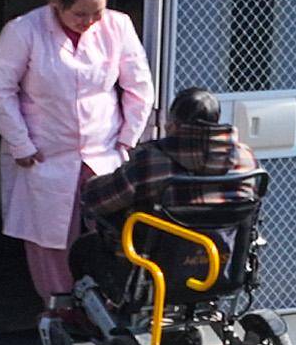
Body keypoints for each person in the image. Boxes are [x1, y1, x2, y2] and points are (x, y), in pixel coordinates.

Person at [0, 0, 155, 334]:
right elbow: (1, 90)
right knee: (49, 237)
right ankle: (59, 307)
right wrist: (20, 143)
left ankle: (107, 303)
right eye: (80, 14)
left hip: (104, 149)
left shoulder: (118, 25)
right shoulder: (24, 30)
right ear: (56, 5)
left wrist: (128, 137)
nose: (90, 22)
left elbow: (139, 85)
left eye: (97, 13)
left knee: (109, 232)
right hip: (43, 152)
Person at [78, 86, 265, 241]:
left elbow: (98, 200)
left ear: (174, 125)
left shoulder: (151, 162)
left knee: (86, 248)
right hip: (223, 270)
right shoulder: (246, 158)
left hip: (160, 272)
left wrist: (89, 181)